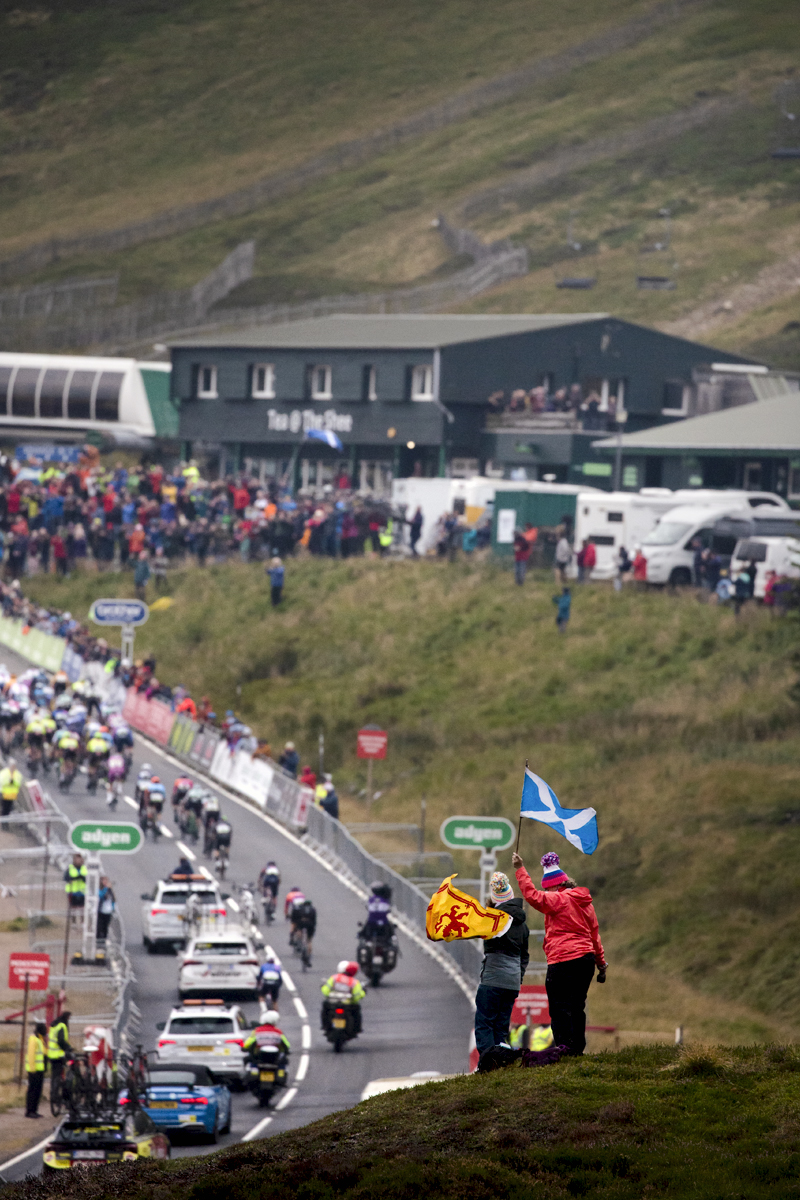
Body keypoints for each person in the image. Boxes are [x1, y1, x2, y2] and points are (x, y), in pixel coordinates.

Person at [512, 850, 607, 1056]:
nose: (546, 892)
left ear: (555, 885)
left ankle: (564, 1049)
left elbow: (532, 896)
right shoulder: (585, 903)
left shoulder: (558, 899)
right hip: (586, 960)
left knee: (559, 1007)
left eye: (547, 888)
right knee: (577, 1006)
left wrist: (520, 869)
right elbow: (594, 934)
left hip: (563, 960)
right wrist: (601, 963)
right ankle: (577, 1049)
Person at [473, 872, 529, 1060]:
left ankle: (489, 1063)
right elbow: (524, 956)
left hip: (492, 979)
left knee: (485, 1023)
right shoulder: (523, 925)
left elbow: (470, 929)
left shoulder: (492, 920)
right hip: (512, 983)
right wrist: (518, 977)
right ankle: (501, 1064)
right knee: (501, 1026)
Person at [320, 960, 365, 1033]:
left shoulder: (334, 978)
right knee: (357, 1010)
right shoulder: (354, 982)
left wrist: (323, 988)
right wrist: (362, 993)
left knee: (325, 1007)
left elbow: (325, 991)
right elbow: (357, 997)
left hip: (333, 1003)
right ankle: (357, 1029)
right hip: (347, 1005)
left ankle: (324, 1025)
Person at [25, 1021, 47, 1117]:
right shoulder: (33, 1039)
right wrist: (32, 1068)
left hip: (40, 1070)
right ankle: (30, 1111)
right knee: (32, 1091)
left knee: (38, 1091)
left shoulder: (40, 1039)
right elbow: (31, 1055)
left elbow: (44, 1053)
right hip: (34, 1070)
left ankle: (34, 1110)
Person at [48, 1010, 72, 1092]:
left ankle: (53, 1093)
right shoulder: (62, 1026)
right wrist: (68, 1048)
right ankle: (55, 1093)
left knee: (54, 1076)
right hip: (58, 1055)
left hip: (51, 1054)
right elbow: (61, 1040)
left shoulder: (54, 1025)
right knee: (58, 1075)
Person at [0, 757, 22, 825]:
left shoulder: (17, 774)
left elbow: (18, 783)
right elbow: (2, 782)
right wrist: (9, 782)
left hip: (12, 795)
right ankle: (4, 823)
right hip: (5, 794)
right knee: (4, 809)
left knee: (8, 810)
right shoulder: (4, 773)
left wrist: (13, 782)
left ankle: (6, 823)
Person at [64, 853, 87, 918]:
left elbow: (87, 878)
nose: (78, 861)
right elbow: (66, 878)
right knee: (73, 908)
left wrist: (81, 878)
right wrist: (74, 878)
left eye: (79, 859)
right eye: (77, 859)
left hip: (82, 892)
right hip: (72, 891)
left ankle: (82, 923)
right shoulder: (70, 868)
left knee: (82, 909)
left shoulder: (84, 867)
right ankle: (73, 923)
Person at [97, 875, 115, 942]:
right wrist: (106, 888)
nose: (105, 882)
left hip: (108, 912)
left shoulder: (110, 890)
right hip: (101, 911)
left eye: (106, 881)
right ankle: (98, 942)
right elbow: (100, 895)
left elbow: (113, 900)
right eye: (104, 880)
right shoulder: (100, 889)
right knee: (99, 927)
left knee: (105, 927)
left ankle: (104, 940)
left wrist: (113, 908)